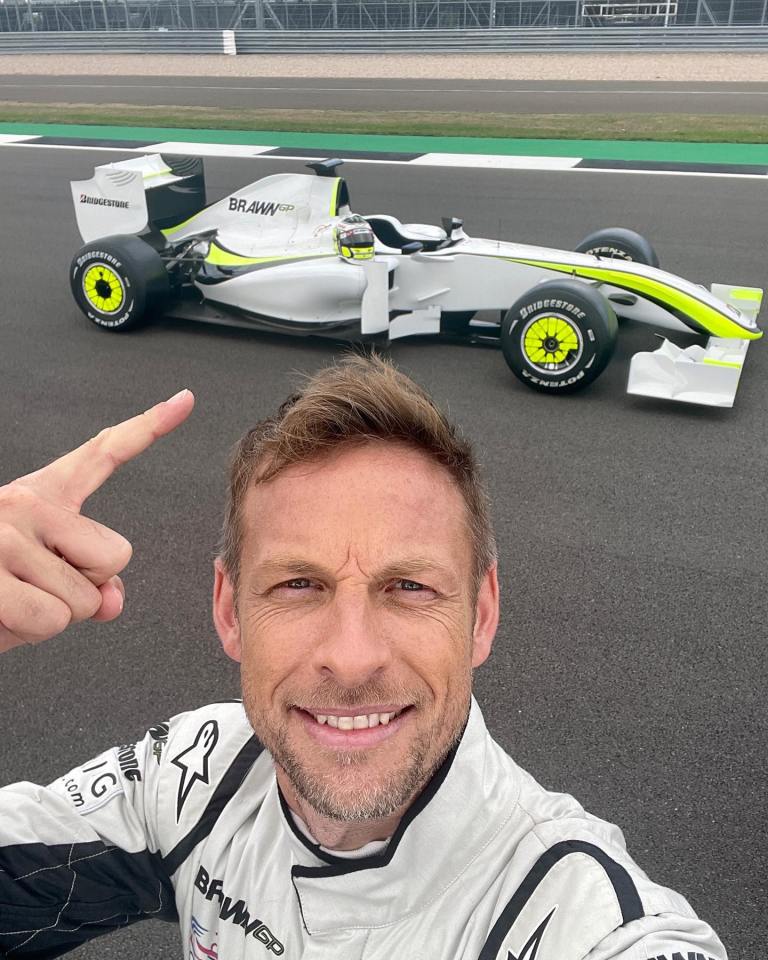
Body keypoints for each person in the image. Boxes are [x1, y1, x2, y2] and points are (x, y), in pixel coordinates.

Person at [0, 356, 725, 960]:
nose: (351, 660)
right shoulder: (193, 775)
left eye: (409, 586)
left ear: (482, 612)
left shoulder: (577, 914)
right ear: (229, 611)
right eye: (298, 584)